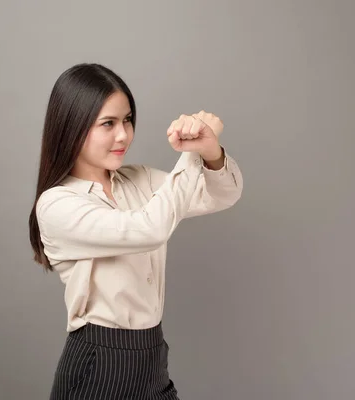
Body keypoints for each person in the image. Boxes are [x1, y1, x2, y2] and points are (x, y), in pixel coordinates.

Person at [28, 63, 243, 399]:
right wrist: (190, 155)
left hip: (152, 355)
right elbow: (147, 229)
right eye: (108, 124)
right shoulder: (56, 204)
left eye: (127, 119)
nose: (124, 134)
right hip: (99, 364)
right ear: (72, 127)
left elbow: (221, 195)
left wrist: (210, 151)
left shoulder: (139, 178)